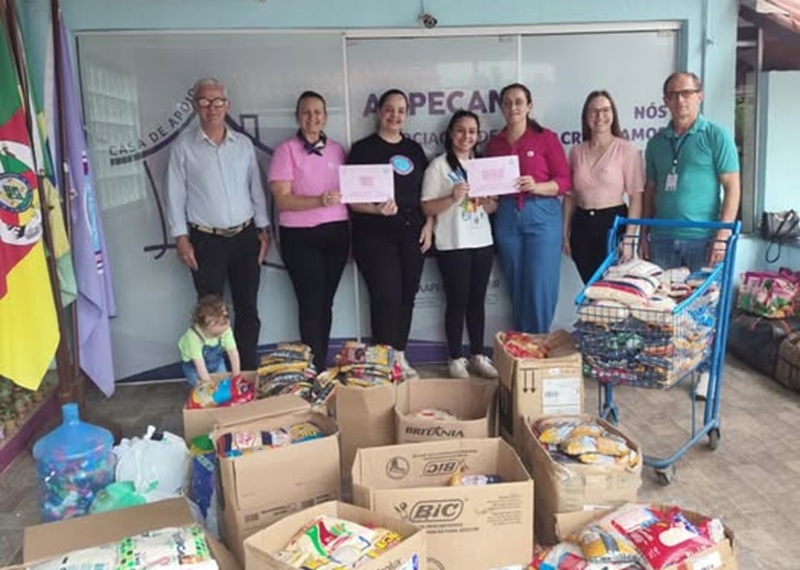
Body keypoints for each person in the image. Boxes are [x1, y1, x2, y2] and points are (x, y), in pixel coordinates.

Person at [642, 71, 741, 399]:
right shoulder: (656, 143)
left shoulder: (715, 136)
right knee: (666, 306)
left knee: (705, 309)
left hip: (704, 239)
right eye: (673, 94)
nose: (680, 100)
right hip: (663, 239)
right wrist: (644, 233)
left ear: (700, 95)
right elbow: (651, 190)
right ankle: (670, 364)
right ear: (665, 101)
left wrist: (722, 237)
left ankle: (707, 372)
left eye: (687, 93)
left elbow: (732, 188)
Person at [166, 77, 270, 370]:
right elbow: (175, 194)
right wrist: (181, 238)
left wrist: (263, 230)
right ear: (195, 106)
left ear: (227, 105)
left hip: (245, 236)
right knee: (209, 314)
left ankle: (246, 375)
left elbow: (256, 189)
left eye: (218, 101)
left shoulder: (243, 145)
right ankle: (213, 378)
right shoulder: (183, 147)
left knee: (248, 308)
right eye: (204, 101)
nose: (211, 107)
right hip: (205, 240)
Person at [346, 89, 432, 379]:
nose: (395, 116)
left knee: (407, 296)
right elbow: (351, 199)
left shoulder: (414, 150)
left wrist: (429, 224)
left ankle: (400, 355)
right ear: (379, 112)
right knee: (386, 297)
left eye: (401, 111)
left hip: (412, 233)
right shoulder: (362, 150)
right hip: (374, 235)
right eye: (389, 109)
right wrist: (375, 209)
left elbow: (427, 195)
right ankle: (383, 361)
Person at [268, 91, 349, 372]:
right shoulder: (285, 150)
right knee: (310, 303)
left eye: (317, 112)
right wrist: (318, 201)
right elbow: (282, 199)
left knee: (326, 302)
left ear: (325, 117)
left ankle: (320, 363)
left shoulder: (338, 150)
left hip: (337, 233)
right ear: (297, 117)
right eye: (306, 112)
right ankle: (313, 367)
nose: (312, 117)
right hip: (300, 237)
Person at [486, 83, 571, 334]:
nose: (513, 107)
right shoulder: (495, 144)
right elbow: (490, 185)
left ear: (529, 106)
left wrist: (537, 186)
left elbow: (564, 181)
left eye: (519, 102)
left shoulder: (546, 138)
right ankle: (522, 343)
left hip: (542, 214)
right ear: (502, 108)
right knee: (516, 283)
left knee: (539, 283)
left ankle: (538, 341)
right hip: (507, 216)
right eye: (507, 103)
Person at [421, 111, 499, 379]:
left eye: (472, 131)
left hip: (482, 241)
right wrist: (452, 198)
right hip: (453, 243)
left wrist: (488, 201)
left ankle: (478, 354)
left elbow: (492, 207)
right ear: (450, 134)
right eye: (460, 130)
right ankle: (455, 358)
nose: (466, 136)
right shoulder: (439, 166)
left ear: (478, 136)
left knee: (477, 301)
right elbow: (426, 207)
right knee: (457, 302)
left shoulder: (482, 165)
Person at [563, 90, 644, 284]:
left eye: (605, 110)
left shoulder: (626, 149)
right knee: (591, 288)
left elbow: (636, 198)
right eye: (594, 111)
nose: (600, 116)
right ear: (586, 116)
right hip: (582, 225)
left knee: (612, 289)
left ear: (613, 114)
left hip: (613, 224)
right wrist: (564, 233)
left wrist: (629, 239)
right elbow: (570, 197)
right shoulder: (576, 151)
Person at [178, 294, 240, 385]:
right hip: (194, 367)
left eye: (223, 331)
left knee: (224, 383)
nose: (222, 334)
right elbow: (199, 364)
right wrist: (209, 385)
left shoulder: (225, 329)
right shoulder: (193, 337)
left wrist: (236, 376)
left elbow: (233, 352)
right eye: (216, 334)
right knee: (199, 387)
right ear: (203, 326)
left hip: (217, 363)